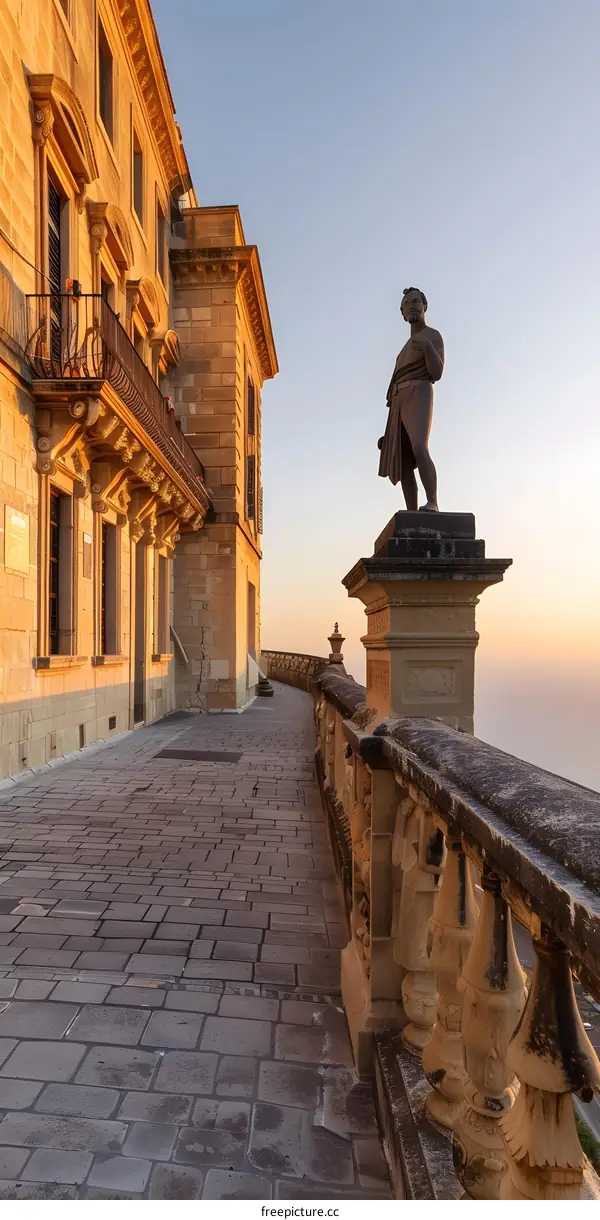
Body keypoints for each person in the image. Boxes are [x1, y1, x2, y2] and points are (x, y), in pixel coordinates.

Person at [378, 287, 444, 511]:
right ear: (402, 312)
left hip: (420, 390)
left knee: (419, 447)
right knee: (404, 461)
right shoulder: (401, 352)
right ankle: (412, 511)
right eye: (408, 303)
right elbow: (391, 390)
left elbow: (436, 373)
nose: (413, 305)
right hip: (398, 401)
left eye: (417, 301)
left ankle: (432, 501)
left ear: (424, 306)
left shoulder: (432, 336)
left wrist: (427, 348)